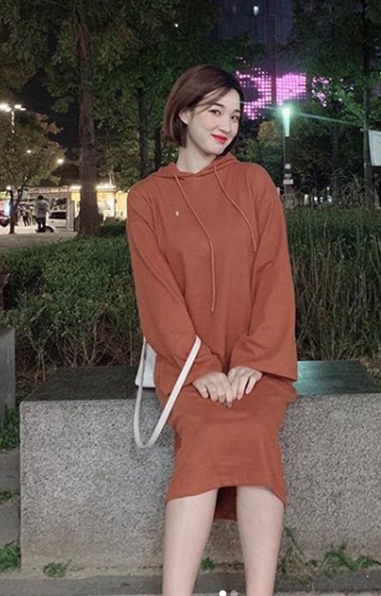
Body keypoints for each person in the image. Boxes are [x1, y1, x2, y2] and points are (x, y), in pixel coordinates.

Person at [127, 65, 297, 596]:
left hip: (257, 365)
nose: (227, 125)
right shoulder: (146, 198)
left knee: (253, 431)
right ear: (184, 112)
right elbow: (157, 295)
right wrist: (199, 366)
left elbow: (274, 275)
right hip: (186, 366)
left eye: (236, 115)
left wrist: (254, 357)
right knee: (204, 435)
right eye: (214, 111)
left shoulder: (254, 183)